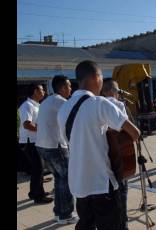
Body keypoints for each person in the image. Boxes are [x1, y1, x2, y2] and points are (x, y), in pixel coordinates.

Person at [57, 60, 141, 230]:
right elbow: (135, 133)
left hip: (79, 184)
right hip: (102, 183)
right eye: (102, 76)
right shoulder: (100, 103)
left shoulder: (63, 109)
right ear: (96, 78)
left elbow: (70, 141)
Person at [35, 75, 76, 224]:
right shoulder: (61, 101)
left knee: (60, 179)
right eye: (69, 86)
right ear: (62, 87)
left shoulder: (48, 101)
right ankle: (66, 214)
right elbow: (75, 118)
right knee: (66, 179)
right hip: (54, 146)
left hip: (43, 146)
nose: (71, 89)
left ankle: (59, 213)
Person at [101, 78, 131, 230]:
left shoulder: (97, 104)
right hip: (119, 153)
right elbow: (125, 129)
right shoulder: (117, 104)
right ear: (113, 92)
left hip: (103, 155)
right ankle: (123, 224)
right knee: (122, 190)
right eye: (118, 91)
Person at [18, 83, 53, 204]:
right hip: (29, 142)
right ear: (35, 91)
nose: (44, 92)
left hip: (36, 141)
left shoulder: (36, 105)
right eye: (42, 90)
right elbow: (27, 124)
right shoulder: (27, 106)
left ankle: (37, 192)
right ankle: (37, 196)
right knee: (38, 168)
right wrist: (43, 129)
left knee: (39, 168)